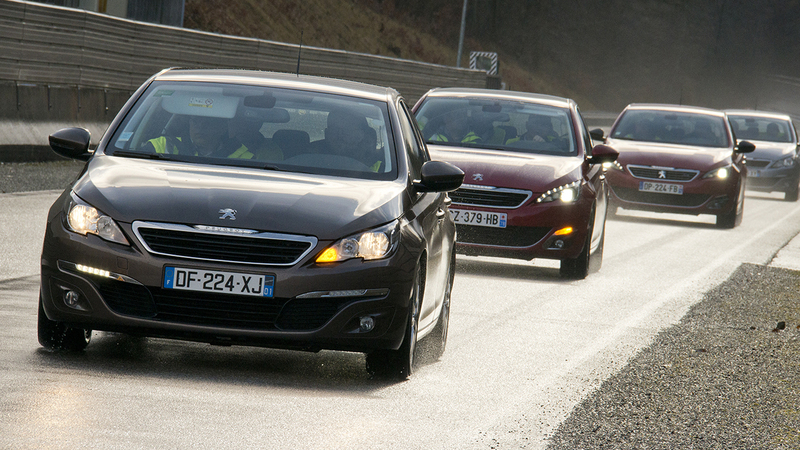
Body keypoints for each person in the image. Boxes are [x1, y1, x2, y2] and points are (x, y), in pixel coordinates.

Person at [143, 115, 253, 159]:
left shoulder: (243, 157)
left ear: (223, 128)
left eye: (208, 123)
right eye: (195, 122)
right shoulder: (160, 146)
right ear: (189, 124)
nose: (200, 128)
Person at [313, 108, 383, 172]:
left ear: (360, 135)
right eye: (335, 130)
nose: (340, 135)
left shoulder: (384, 167)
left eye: (347, 131)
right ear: (327, 133)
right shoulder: (311, 157)